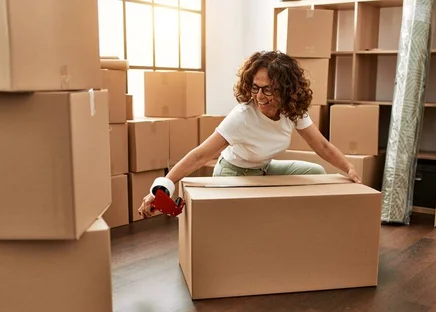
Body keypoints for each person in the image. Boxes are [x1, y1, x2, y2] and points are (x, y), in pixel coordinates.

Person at [138, 50, 361, 219]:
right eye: (256, 87)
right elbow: (200, 156)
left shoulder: (293, 111)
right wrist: (161, 187)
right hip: (232, 172)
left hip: (262, 169)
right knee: (246, 217)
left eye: (268, 89)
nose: (260, 96)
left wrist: (348, 168)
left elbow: (321, 146)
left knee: (316, 172)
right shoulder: (242, 116)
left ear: (286, 89)